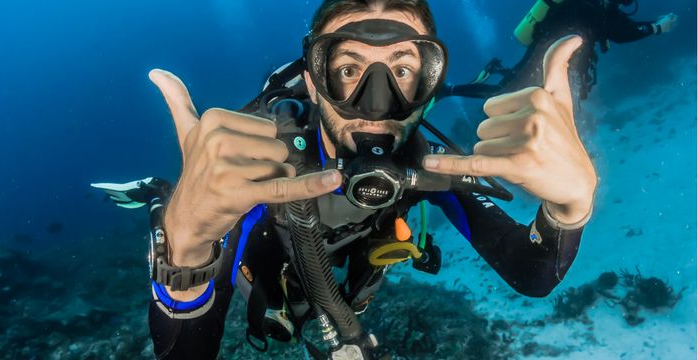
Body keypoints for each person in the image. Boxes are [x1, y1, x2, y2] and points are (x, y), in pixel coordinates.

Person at [97, 0, 597, 358]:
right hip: (275, 277)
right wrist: (184, 250)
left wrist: (570, 208)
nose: (375, 104)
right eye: (348, 69)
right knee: (190, 212)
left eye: (401, 71)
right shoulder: (264, 167)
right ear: (314, 83)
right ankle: (163, 197)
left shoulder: (430, 160)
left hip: (340, 282)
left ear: (429, 86)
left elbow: (533, 273)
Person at [444, 0, 679, 100]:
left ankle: (497, 71)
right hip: (547, 54)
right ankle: (449, 90)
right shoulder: (594, 6)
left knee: (522, 91)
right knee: (504, 93)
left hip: (548, 51)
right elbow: (621, 33)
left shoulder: (599, 7)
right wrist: (657, 27)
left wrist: (654, 26)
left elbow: (619, 27)